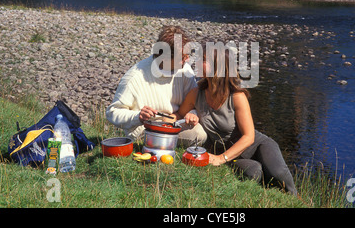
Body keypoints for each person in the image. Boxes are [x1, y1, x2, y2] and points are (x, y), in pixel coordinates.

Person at [177, 48, 297, 195]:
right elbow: (177, 116)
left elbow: (249, 136)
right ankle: (269, 189)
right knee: (253, 173)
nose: (197, 63)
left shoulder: (237, 96)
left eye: (203, 60)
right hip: (230, 153)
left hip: (256, 145)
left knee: (278, 173)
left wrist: (221, 159)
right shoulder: (196, 94)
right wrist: (185, 114)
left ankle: (296, 198)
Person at [105, 25, 207, 147]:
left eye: (187, 55)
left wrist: (192, 113)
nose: (188, 59)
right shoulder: (135, 77)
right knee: (195, 137)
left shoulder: (184, 70)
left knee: (200, 135)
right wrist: (138, 117)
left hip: (175, 122)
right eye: (183, 57)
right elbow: (112, 113)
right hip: (145, 130)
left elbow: (192, 101)